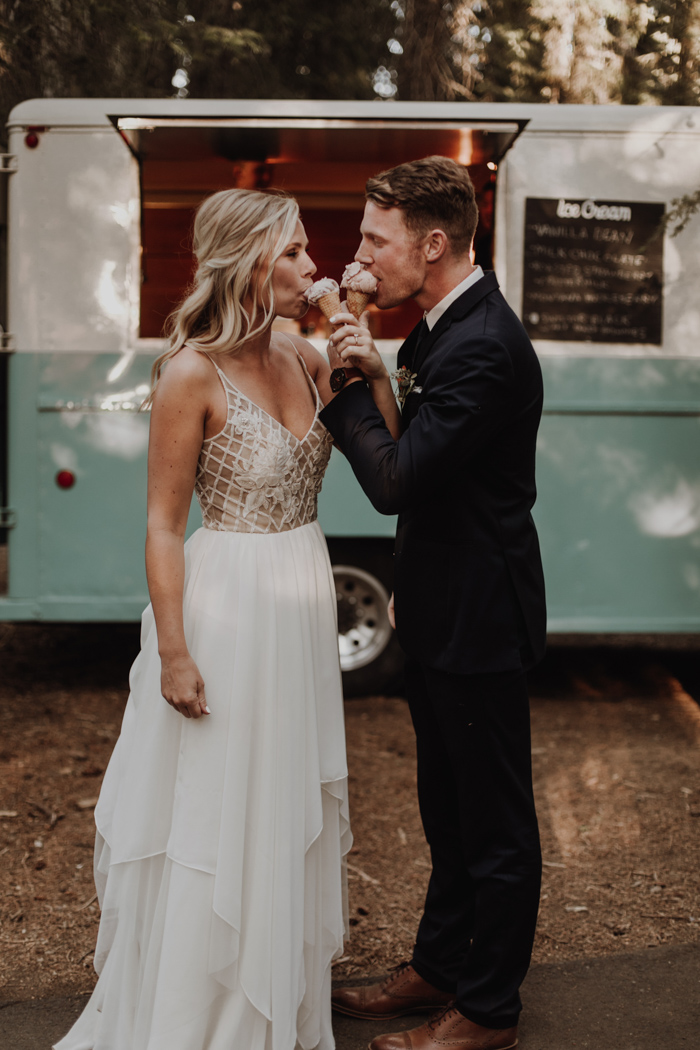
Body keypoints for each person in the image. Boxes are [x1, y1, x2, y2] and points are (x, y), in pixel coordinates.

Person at [53, 187, 396, 1050]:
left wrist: (376, 367)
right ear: (246, 261)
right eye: (294, 255)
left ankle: (277, 997)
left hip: (302, 592)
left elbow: (394, 465)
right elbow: (164, 523)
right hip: (227, 602)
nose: (313, 270)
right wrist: (173, 652)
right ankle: (199, 1010)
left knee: (282, 795)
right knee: (217, 803)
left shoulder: (307, 356)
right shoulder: (188, 374)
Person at [321, 156, 546, 1050]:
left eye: (377, 239)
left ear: (435, 243)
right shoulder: (437, 329)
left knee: (494, 825)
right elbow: (419, 439)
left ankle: (488, 1007)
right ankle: (438, 967)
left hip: (482, 618)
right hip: (438, 605)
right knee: (446, 811)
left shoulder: (485, 344)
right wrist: (373, 362)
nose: (361, 255)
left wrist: (344, 391)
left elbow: (395, 480)